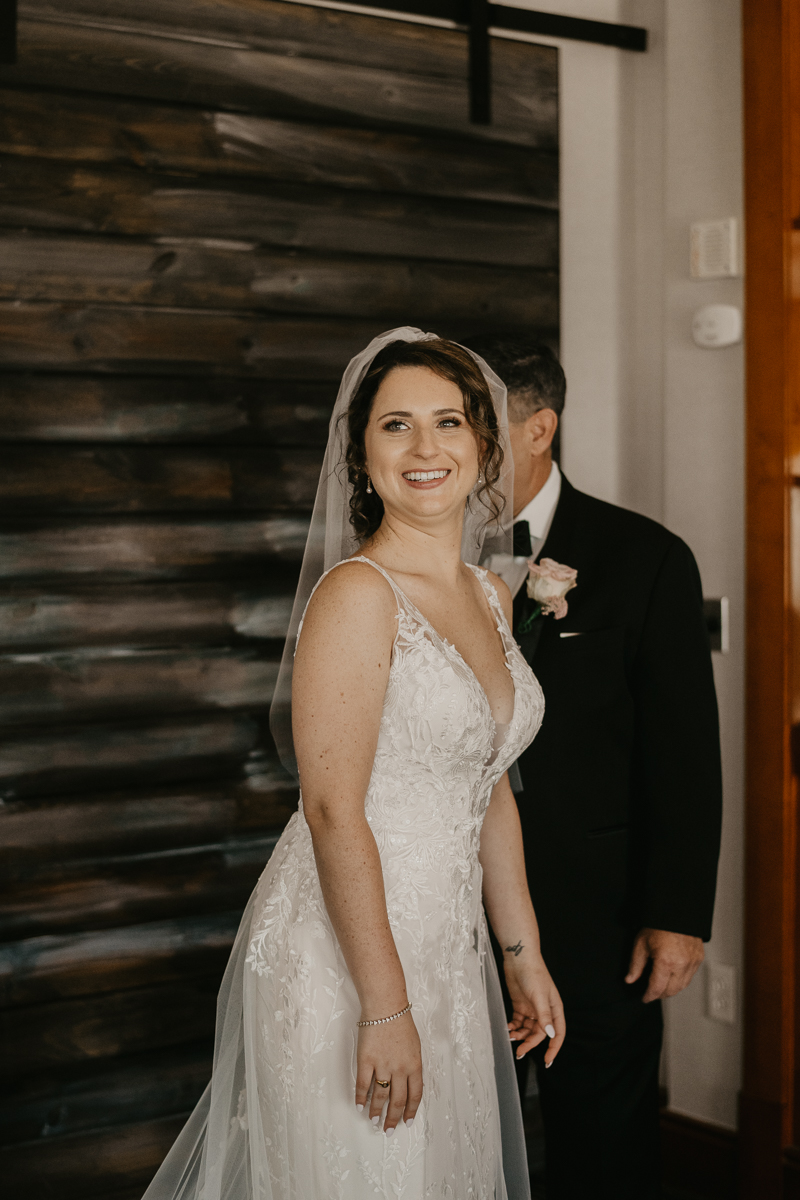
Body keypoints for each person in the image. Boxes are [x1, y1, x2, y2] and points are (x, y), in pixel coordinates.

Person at [142, 328, 564, 1200]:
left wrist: (521, 955)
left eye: (448, 422)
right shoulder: (356, 596)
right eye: (395, 425)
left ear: (483, 444)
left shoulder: (489, 594)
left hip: (447, 947)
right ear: (360, 452)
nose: (425, 448)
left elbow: (486, 790)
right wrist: (384, 1005)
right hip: (345, 950)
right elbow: (333, 809)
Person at [461, 333, 723, 1200]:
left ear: (541, 429)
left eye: (471, 422)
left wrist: (677, 913)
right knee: (456, 1143)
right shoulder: (418, 555)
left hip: (596, 914)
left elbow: (682, 750)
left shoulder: (645, 558)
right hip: (447, 909)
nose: (449, 445)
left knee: (603, 1147)